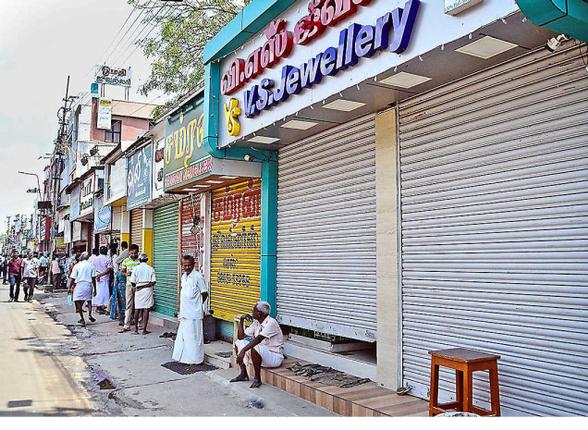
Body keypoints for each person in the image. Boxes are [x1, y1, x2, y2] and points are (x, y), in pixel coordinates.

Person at [231, 301, 285, 388]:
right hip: (260, 356)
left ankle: (257, 379)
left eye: (254, 310)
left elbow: (258, 339)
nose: (252, 312)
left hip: (274, 357)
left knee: (255, 346)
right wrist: (241, 320)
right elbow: (241, 337)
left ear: (259, 313)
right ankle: (243, 374)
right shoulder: (256, 323)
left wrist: (243, 351)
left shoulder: (272, 322)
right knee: (239, 343)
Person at [172, 255, 208, 365]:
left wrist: (196, 305)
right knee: (185, 337)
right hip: (185, 313)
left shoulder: (198, 277)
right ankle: (185, 359)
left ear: (193, 265)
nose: (187, 267)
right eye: (185, 265)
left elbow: (205, 293)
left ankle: (196, 360)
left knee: (194, 338)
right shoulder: (184, 277)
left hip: (194, 314)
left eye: (189, 265)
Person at [129, 253, 156, 335]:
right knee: (146, 309)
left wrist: (137, 287)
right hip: (147, 290)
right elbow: (153, 281)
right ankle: (144, 330)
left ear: (139, 260)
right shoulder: (151, 269)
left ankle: (136, 330)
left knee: (137, 309)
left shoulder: (135, 269)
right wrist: (144, 286)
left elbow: (133, 282)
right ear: (147, 260)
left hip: (138, 290)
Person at [69, 252, 97, 327]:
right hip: (88, 284)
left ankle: (82, 318)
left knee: (78, 301)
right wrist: (95, 289)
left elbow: (73, 278)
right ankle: (90, 315)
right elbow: (93, 278)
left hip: (79, 285)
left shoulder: (77, 266)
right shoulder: (91, 265)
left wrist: (69, 287)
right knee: (89, 300)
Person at [119, 244, 141, 333]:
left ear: (137, 252)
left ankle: (139, 323)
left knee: (138, 305)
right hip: (129, 285)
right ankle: (126, 325)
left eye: (134, 253)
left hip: (139, 286)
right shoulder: (125, 261)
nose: (133, 255)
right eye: (131, 253)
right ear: (129, 253)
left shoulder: (140, 261)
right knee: (129, 305)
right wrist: (126, 274)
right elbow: (121, 272)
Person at [91, 246, 112, 314]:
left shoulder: (95, 259)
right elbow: (109, 269)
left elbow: (93, 268)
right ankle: (102, 307)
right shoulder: (108, 259)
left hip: (97, 277)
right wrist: (101, 275)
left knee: (98, 292)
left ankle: (98, 307)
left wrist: (97, 275)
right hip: (104, 278)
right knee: (104, 293)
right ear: (106, 251)